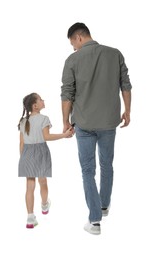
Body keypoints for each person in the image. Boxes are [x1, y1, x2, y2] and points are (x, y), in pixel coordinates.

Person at [61, 23, 132, 235]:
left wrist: (65, 121)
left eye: (73, 43)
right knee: (107, 164)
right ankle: (103, 205)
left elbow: (67, 94)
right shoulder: (115, 54)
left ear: (79, 38)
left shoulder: (73, 60)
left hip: (83, 123)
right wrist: (127, 111)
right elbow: (126, 85)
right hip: (109, 122)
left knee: (87, 170)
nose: (73, 48)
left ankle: (94, 222)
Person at [18, 93, 73, 228]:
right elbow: (46, 137)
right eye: (41, 99)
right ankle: (44, 205)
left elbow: (21, 142)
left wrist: (23, 158)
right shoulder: (44, 119)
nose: (43, 100)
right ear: (35, 106)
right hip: (41, 152)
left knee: (29, 186)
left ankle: (30, 217)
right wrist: (64, 135)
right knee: (43, 181)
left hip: (27, 153)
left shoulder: (23, 121)